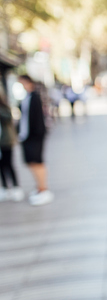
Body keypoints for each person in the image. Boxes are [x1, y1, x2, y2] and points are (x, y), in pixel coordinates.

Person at [17, 75, 54, 206]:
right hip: (27, 135)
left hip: (35, 135)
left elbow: (37, 118)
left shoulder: (35, 96)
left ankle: (44, 189)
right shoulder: (26, 97)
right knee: (31, 161)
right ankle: (39, 187)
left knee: (37, 161)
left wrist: (37, 135)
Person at [0, 91, 23, 202]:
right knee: (1, 166)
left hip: (6, 141)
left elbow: (8, 118)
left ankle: (15, 187)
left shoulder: (4, 107)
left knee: (9, 164)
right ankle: (4, 187)